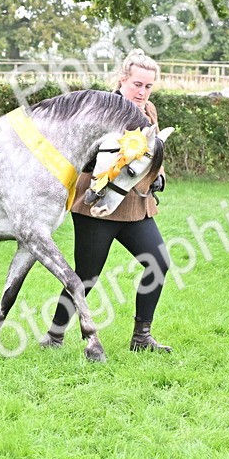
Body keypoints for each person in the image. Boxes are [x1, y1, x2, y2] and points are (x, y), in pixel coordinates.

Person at [41, 50, 173, 353]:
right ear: (122, 80)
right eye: (137, 84)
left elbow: (152, 150)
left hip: (136, 206)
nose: (142, 92)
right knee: (86, 275)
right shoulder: (100, 110)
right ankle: (54, 336)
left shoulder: (148, 111)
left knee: (158, 263)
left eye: (148, 86)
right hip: (96, 205)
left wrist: (159, 174)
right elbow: (80, 153)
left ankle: (142, 337)